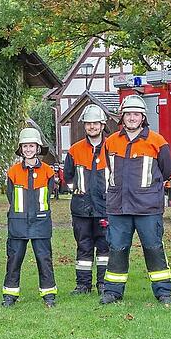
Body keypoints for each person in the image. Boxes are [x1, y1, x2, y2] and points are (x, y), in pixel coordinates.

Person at [100, 95, 171, 305]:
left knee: (153, 249)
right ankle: (113, 291)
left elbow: (166, 170)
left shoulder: (157, 141)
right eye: (128, 114)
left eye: (136, 114)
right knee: (117, 249)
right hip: (118, 207)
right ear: (122, 117)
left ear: (143, 117)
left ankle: (163, 292)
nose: (132, 118)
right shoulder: (111, 141)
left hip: (148, 208)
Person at [1, 128, 57, 308]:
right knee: (14, 259)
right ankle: (10, 295)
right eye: (25, 146)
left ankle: (49, 295)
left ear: (38, 148)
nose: (28, 149)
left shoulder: (48, 172)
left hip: (41, 223)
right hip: (18, 224)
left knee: (44, 259)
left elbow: (48, 196)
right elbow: (10, 196)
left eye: (31, 146)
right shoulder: (13, 172)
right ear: (20, 148)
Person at [63, 104, 110, 295]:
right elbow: (68, 177)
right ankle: (83, 285)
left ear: (102, 125)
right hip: (81, 209)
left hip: (106, 207)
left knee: (105, 248)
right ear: (84, 126)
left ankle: (103, 283)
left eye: (95, 123)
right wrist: (80, 192)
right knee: (83, 247)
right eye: (88, 124)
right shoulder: (75, 150)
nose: (92, 127)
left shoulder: (111, 147)